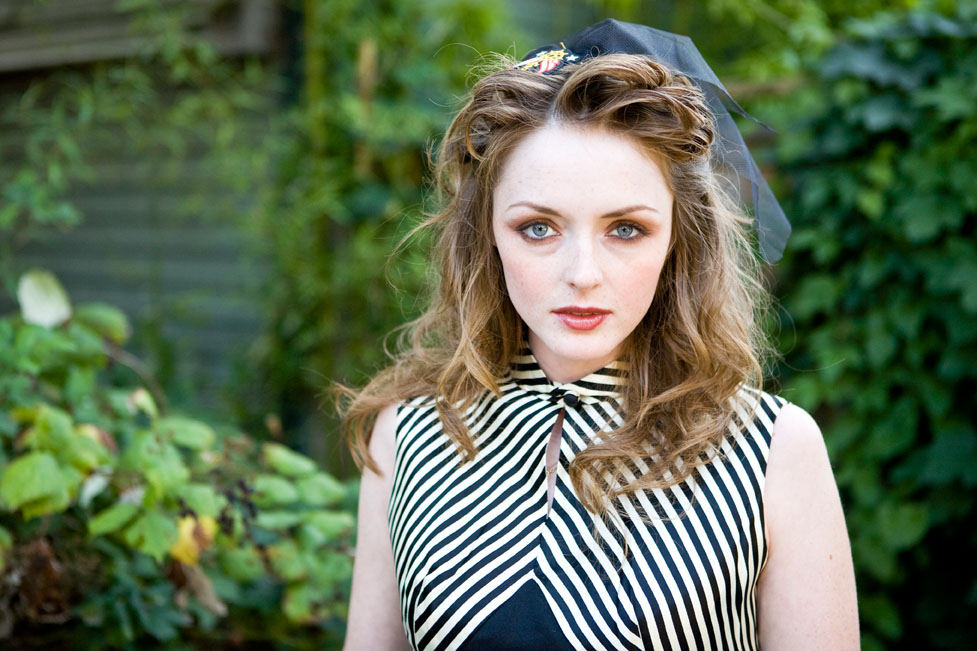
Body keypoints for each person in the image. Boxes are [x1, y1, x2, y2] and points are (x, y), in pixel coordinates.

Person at [341, 19, 858, 651]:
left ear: (679, 240)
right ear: (487, 235)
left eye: (626, 229)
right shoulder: (408, 435)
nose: (582, 274)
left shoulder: (773, 450)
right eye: (538, 228)